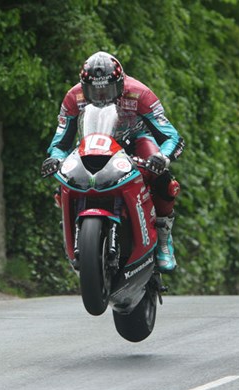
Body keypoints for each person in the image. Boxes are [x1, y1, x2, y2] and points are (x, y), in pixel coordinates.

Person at [41, 51, 185, 272]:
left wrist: (162, 157)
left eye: (107, 90)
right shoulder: (73, 97)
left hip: (135, 141)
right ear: (83, 86)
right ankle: (74, 232)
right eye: (94, 90)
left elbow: (171, 135)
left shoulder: (140, 93)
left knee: (162, 179)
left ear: (120, 84)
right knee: (64, 183)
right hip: (92, 144)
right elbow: (60, 142)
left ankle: (164, 238)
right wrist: (55, 159)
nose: (100, 96)